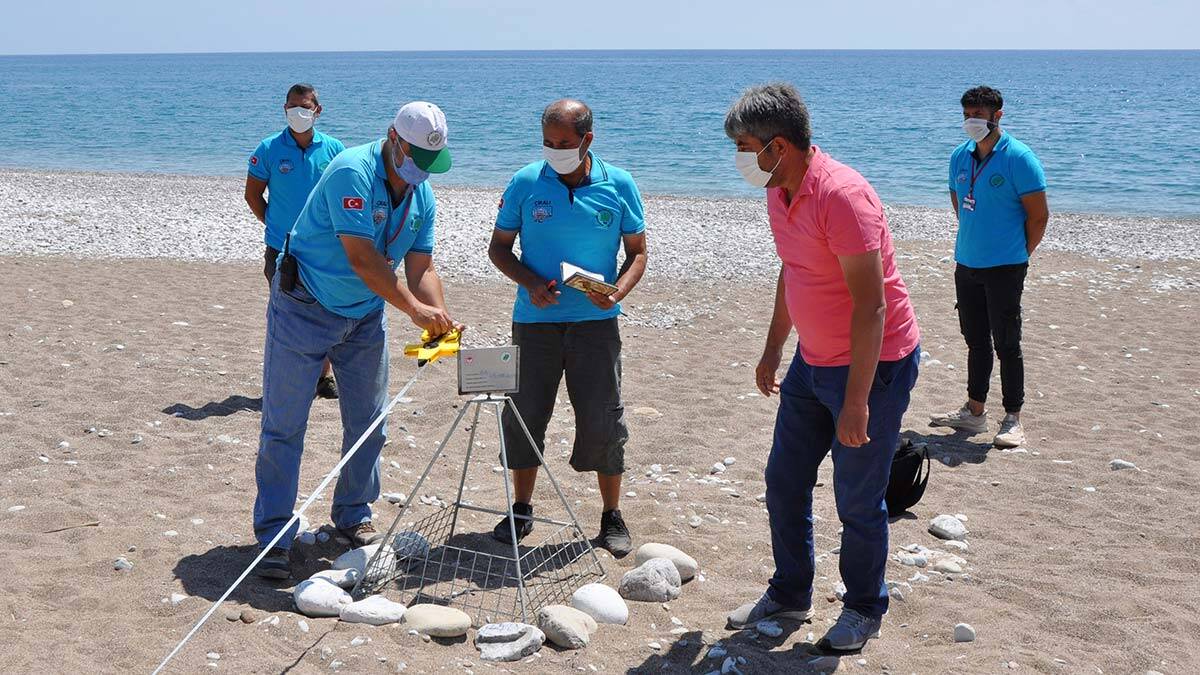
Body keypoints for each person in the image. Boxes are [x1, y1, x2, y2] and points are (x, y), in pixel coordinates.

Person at [722, 84, 921, 653]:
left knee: (858, 498)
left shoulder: (842, 194)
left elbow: (872, 304)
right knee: (783, 480)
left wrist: (858, 399)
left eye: (744, 145)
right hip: (813, 361)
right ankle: (790, 593)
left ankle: (863, 608)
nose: (739, 157)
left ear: (778, 145)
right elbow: (794, 272)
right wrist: (773, 347)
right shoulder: (779, 189)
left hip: (871, 366)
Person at [253, 101, 462, 578]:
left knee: (369, 423)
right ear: (393, 138)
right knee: (284, 425)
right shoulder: (352, 171)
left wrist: (438, 314)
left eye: (430, 165)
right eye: (415, 159)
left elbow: (421, 266)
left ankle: (353, 516)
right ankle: (273, 536)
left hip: (365, 315)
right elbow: (364, 260)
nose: (420, 172)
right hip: (304, 305)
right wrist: (413, 308)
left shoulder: (420, 194)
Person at [487, 99, 648, 557]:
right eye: (548, 142)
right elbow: (499, 249)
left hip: (596, 325)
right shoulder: (524, 182)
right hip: (534, 322)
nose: (555, 151)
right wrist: (531, 283)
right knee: (524, 414)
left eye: (565, 144)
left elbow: (638, 252)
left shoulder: (619, 184)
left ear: (587, 140)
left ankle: (611, 515)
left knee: (604, 418)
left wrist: (616, 293)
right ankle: (521, 507)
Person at [930, 86, 1049, 448]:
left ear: (998, 115)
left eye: (979, 114)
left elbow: (1039, 216)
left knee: (1007, 344)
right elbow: (958, 199)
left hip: (1006, 267)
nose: (972, 121)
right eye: (967, 114)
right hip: (966, 263)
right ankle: (975, 412)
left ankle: (1012, 418)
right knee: (975, 341)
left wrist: (1017, 253)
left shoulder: (1019, 157)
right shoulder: (959, 156)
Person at [245, 83, 346, 399]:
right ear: (284, 109)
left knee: (328, 311)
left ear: (318, 110)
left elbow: (345, 195)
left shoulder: (334, 150)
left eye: (304, 107)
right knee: (287, 316)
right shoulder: (268, 149)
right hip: (281, 249)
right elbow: (253, 195)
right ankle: (289, 381)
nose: (297, 113)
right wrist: (275, 226)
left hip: (324, 249)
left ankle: (323, 378)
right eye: (292, 106)